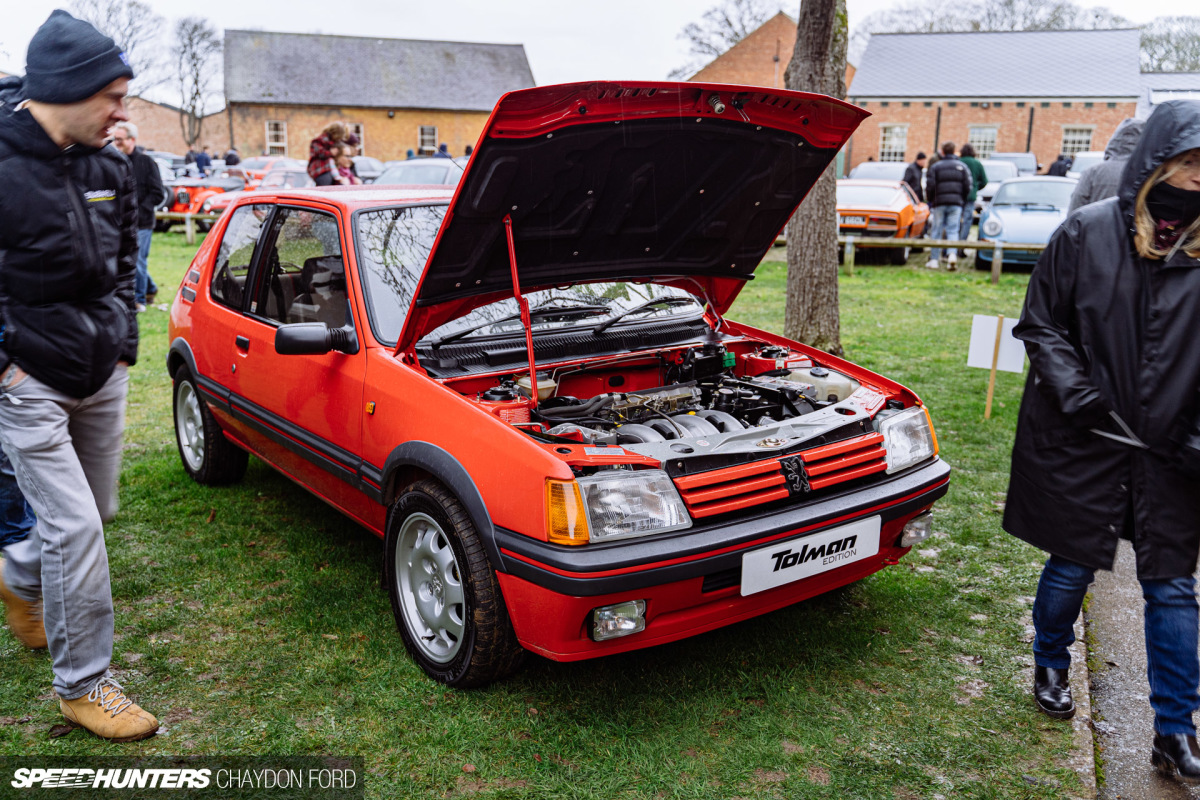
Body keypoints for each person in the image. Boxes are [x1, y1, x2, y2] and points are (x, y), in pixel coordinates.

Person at [1005, 99, 1200, 783]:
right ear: (1159, 160)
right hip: (1088, 438)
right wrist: (1078, 394)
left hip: (1172, 451)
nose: (1199, 177)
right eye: (1191, 162)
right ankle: (1051, 660)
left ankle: (1175, 730)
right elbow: (1040, 324)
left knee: (1174, 587)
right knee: (1072, 562)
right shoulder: (1086, 234)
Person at [0, 9, 158, 742]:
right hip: (27, 382)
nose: (123, 112)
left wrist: (124, 342)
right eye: (114, 96)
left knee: (94, 517)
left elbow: (127, 261)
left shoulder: (110, 165)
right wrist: (5, 366)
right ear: (65, 89)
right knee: (75, 530)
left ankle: (19, 578)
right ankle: (84, 685)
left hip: (103, 371)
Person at [110, 121, 164, 310]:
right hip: (121, 222)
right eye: (114, 139)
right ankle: (150, 287)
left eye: (120, 139)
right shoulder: (115, 162)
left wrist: (140, 210)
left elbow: (158, 193)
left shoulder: (146, 162)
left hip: (142, 223)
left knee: (138, 260)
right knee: (128, 259)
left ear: (132, 139)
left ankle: (139, 300)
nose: (116, 143)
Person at [1069, 119, 1145, 213]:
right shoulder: (1149, 174)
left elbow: (1075, 212)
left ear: (1115, 140)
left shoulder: (1093, 172)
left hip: (1095, 226)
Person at [923, 141, 971, 269]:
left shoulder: (936, 167)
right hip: (956, 203)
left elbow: (930, 186)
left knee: (936, 230)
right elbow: (968, 186)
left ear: (942, 152)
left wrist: (931, 200)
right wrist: (962, 199)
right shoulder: (962, 166)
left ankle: (934, 259)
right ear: (954, 151)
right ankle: (951, 255)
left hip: (939, 203)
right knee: (953, 230)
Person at [958, 143, 988, 258]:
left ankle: (952, 247)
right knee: (966, 222)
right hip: (970, 197)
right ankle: (961, 247)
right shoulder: (977, 163)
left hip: (958, 196)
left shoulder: (959, 161)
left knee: (955, 222)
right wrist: (975, 188)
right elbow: (984, 181)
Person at [308, 120, 348, 186]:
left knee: (339, 184)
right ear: (336, 134)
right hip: (320, 169)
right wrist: (330, 152)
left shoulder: (332, 142)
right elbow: (317, 152)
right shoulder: (320, 140)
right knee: (325, 184)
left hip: (330, 170)